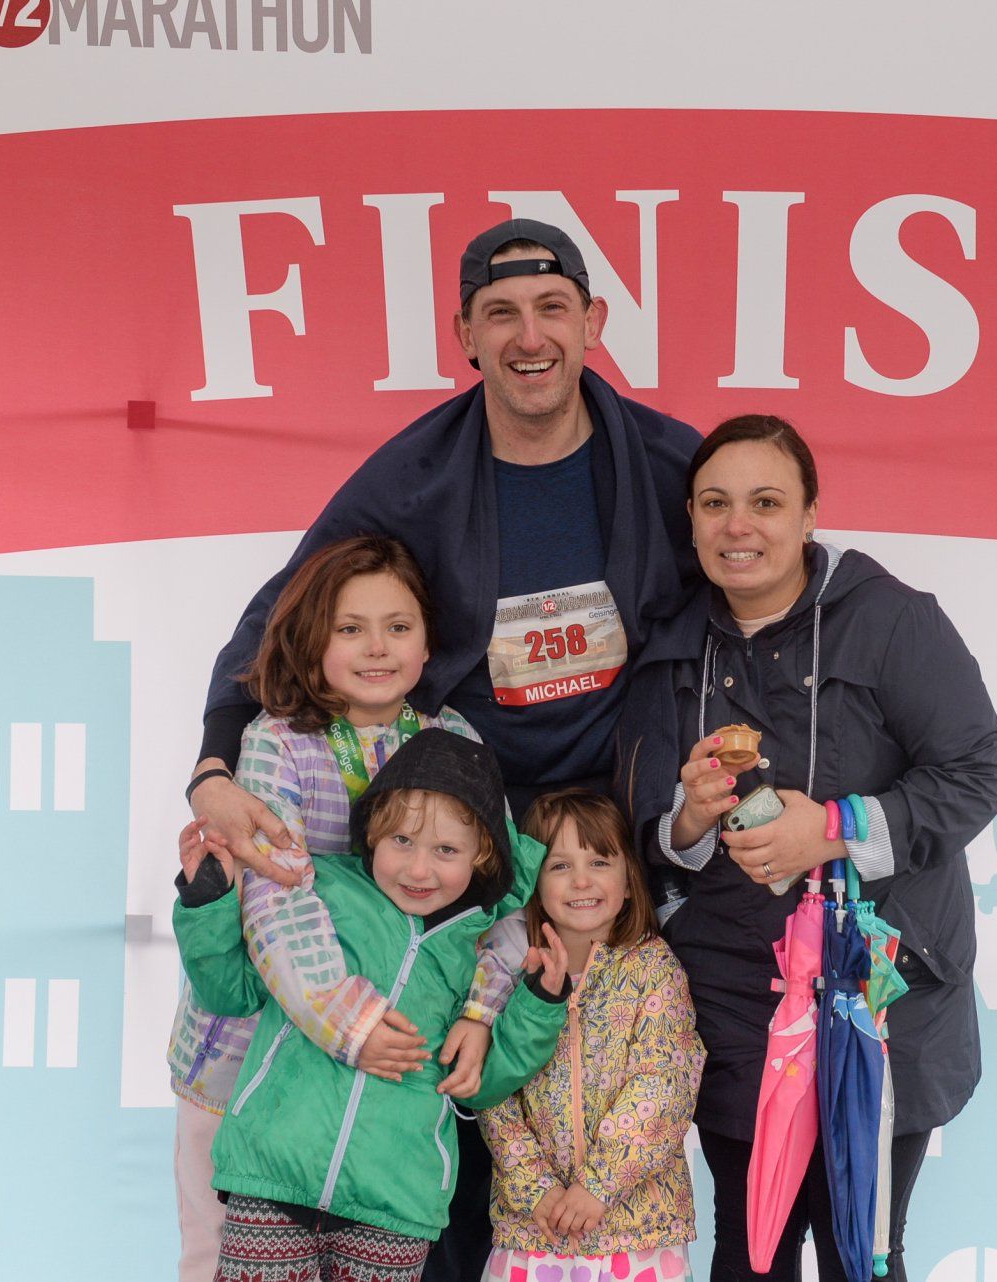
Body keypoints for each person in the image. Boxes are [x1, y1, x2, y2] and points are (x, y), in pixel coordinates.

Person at [187, 218, 703, 1281]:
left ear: (593, 324)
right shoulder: (412, 476)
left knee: (560, 1101)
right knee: (435, 1131)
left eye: (553, 309)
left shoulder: (664, 464)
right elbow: (275, 623)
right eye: (501, 314)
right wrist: (211, 770)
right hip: (445, 845)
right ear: (463, 332)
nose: (530, 337)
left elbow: (755, 578)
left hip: (600, 844)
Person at [618, 415, 997, 1282]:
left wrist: (831, 830)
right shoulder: (670, 646)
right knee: (749, 1251)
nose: (738, 526)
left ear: (808, 514)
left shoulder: (894, 623)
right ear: (690, 519)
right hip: (729, 1002)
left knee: (858, 1252)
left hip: (878, 1000)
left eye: (765, 502)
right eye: (715, 504)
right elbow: (635, 825)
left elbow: (976, 774)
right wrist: (685, 821)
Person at [166, 536, 509, 1281]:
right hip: (250, 1060)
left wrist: (481, 1014)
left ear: (429, 642)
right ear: (313, 638)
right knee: (212, 1255)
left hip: (384, 1081)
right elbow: (275, 900)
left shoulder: (454, 740)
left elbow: (498, 899)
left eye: (398, 626)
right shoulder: (274, 743)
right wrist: (350, 1022)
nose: (376, 648)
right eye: (349, 628)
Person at [174, 728, 575, 1282]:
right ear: (371, 835)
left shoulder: (479, 953)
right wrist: (208, 901)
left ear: (483, 856)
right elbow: (232, 990)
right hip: (272, 1173)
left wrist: (540, 1005)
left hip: (395, 1202)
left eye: (446, 851)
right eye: (402, 842)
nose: (418, 870)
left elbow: (480, 1082)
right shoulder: (318, 894)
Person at [478, 790, 704, 1282]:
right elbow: (494, 1090)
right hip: (535, 1228)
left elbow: (664, 1084)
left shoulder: (653, 969)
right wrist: (534, 1188)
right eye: (559, 866)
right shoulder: (514, 973)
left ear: (628, 883)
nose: (581, 880)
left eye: (600, 861)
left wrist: (598, 1188)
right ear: (534, 885)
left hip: (639, 1232)